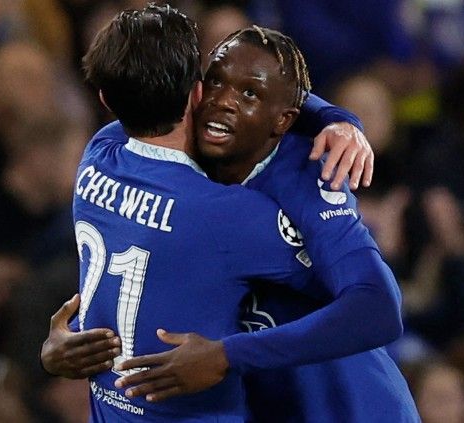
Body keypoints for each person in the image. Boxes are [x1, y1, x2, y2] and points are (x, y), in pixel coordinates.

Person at [43, 8, 417, 422]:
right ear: (195, 89)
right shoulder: (197, 182)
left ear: (284, 120)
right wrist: (70, 340)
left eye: (249, 94)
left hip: (347, 406)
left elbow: (378, 306)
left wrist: (338, 119)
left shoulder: (313, 176)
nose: (224, 101)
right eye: (215, 81)